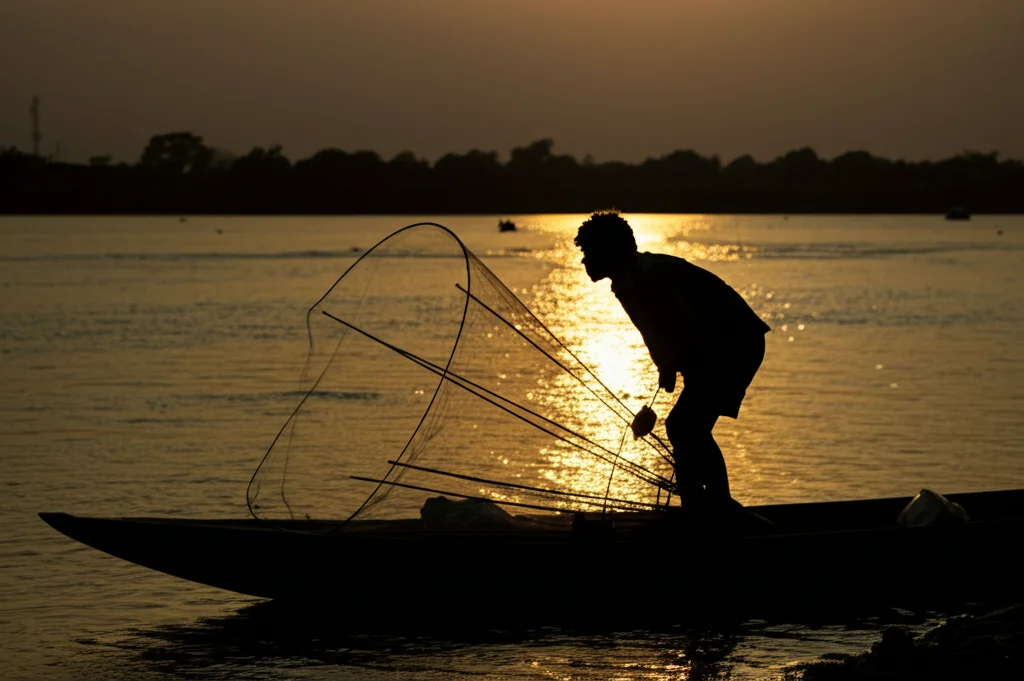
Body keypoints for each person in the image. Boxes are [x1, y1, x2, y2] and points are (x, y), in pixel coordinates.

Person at [574, 210, 770, 511]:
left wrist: (673, 362)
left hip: (733, 342)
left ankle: (715, 505)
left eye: (589, 253)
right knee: (685, 426)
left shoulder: (646, 277)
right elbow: (653, 329)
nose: (584, 261)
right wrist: (665, 366)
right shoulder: (628, 280)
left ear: (609, 252)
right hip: (712, 345)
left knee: (685, 426)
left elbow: (686, 323)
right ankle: (700, 502)